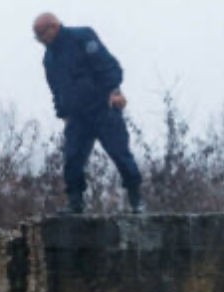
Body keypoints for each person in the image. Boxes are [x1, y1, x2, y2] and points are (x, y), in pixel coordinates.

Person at [34, 12, 144, 214]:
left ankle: (136, 198)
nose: (40, 40)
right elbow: (56, 88)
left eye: (41, 34)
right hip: (77, 116)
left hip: (103, 107)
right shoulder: (49, 59)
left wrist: (114, 90)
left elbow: (108, 65)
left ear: (54, 27)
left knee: (120, 153)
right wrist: (62, 113)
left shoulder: (82, 37)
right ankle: (75, 202)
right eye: (37, 37)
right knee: (72, 158)